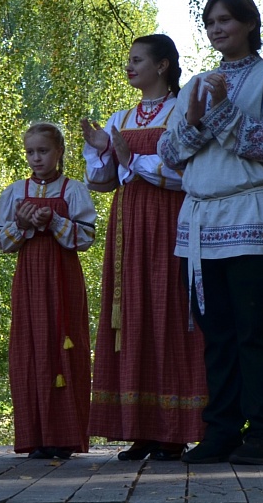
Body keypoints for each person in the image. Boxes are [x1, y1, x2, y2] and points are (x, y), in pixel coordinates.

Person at [160, 0, 263, 466]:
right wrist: (198, 117)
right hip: (201, 221)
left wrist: (219, 111)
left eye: (225, 20)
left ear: (249, 24)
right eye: (210, 22)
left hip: (256, 216)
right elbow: (169, 153)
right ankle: (220, 430)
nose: (217, 29)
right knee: (216, 332)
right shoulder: (197, 83)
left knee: (255, 330)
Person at [82, 34, 205, 460]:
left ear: (164, 65)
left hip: (170, 220)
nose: (130, 67)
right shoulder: (123, 116)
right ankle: (140, 428)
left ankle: (174, 431)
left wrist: (129, 159)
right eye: (128, 60)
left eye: (138, 60)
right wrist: (102, 152)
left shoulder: (180, 112)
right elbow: (102, 183)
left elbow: (181, 172)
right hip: (129, 222)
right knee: (132, 313)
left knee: (169, 313)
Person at [0, 123, 96, 460]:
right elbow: (2, 243)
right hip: (29, 279)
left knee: (63, 345)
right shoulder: (15, 191)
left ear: (59, 152)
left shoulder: (73, 189)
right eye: (31, 152)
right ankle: (36, 435)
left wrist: (54, 222)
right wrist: (22, 226)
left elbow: (86, 238)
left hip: (63, 280)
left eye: (43, 151)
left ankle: (64, 436)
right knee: (30, 348)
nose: (36, 158)